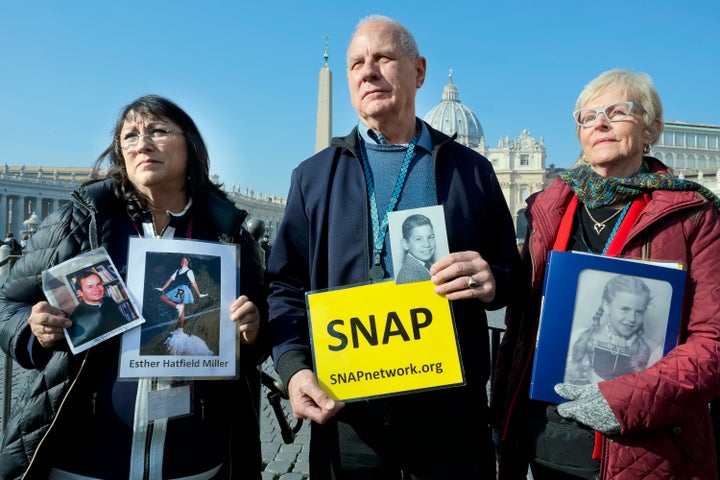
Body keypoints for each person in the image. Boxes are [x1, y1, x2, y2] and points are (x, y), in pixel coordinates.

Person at [266, 15, 520, 479]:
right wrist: (295, 367)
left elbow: (511, 276)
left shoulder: (473, 171)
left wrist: (491, 280)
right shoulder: (312, 177)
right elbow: (284, 284)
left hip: (450, 419)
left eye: (383, 57)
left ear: (419, 71)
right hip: (349, 418)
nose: (368, 71)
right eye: (356, 63)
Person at [0, 94, 268, 479]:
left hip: (194, 460)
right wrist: (34, 329)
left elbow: (262, 326)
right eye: (130, 136)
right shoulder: (77, 225)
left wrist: (253, 330)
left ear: (190, 144)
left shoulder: (228, 236)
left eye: (157, 131)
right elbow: (8, 302)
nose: (142, 143)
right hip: (83, 457)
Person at [491, 69, 720, 479]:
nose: (600, 122)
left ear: (652, 127)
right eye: (588, 115)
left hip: (641, 447)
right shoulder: (548, 208)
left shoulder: (694, 215)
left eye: (618, 111)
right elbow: (521, 323)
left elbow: (713, 344)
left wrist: (622, 401)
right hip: (542, 441)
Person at [564, 275, 655, 385]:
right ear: (606, 306)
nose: (632, 318)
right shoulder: (583, 338)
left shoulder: (649, 351)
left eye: (639, 312)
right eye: (624, 309)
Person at [67, 270, 128, 346]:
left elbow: (123, 321)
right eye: (90, 287)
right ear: (80, 293)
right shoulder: (77, 315)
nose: (97, 289)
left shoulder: (109, 300)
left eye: (98, 284)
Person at [157, 255, 208, 329]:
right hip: (178, 290)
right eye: (182, 261)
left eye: (185, 261)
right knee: (180, 311)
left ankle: (180, 325)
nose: (184, 262)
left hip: (183, 289)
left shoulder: (189, 271)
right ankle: (181, 327)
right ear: (181, 262)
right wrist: (162, 288)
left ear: (188, 263)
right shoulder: (177, 271)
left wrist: (199, 294)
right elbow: (170, 280)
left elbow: (194, 283)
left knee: (164, 298)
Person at [395, 213, 436, 284]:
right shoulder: (407, 277)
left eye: (430, 237)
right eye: (418, 239)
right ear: (405, 244)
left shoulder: (429, 265)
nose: (427, 244)